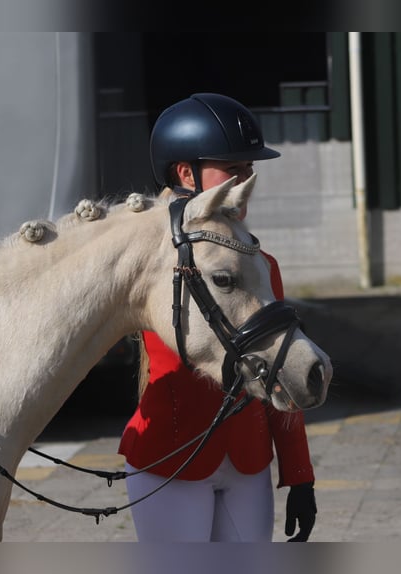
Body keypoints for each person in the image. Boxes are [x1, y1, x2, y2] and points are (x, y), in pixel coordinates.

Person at [117, 93, 317, 542]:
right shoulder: (151, 262)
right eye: (233, 170)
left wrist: (298, 472)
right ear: (185, 173)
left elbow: (279, 366)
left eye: (249, 170)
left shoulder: (261, 264)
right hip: (172, 459)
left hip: (248, 461)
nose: (246, 180)